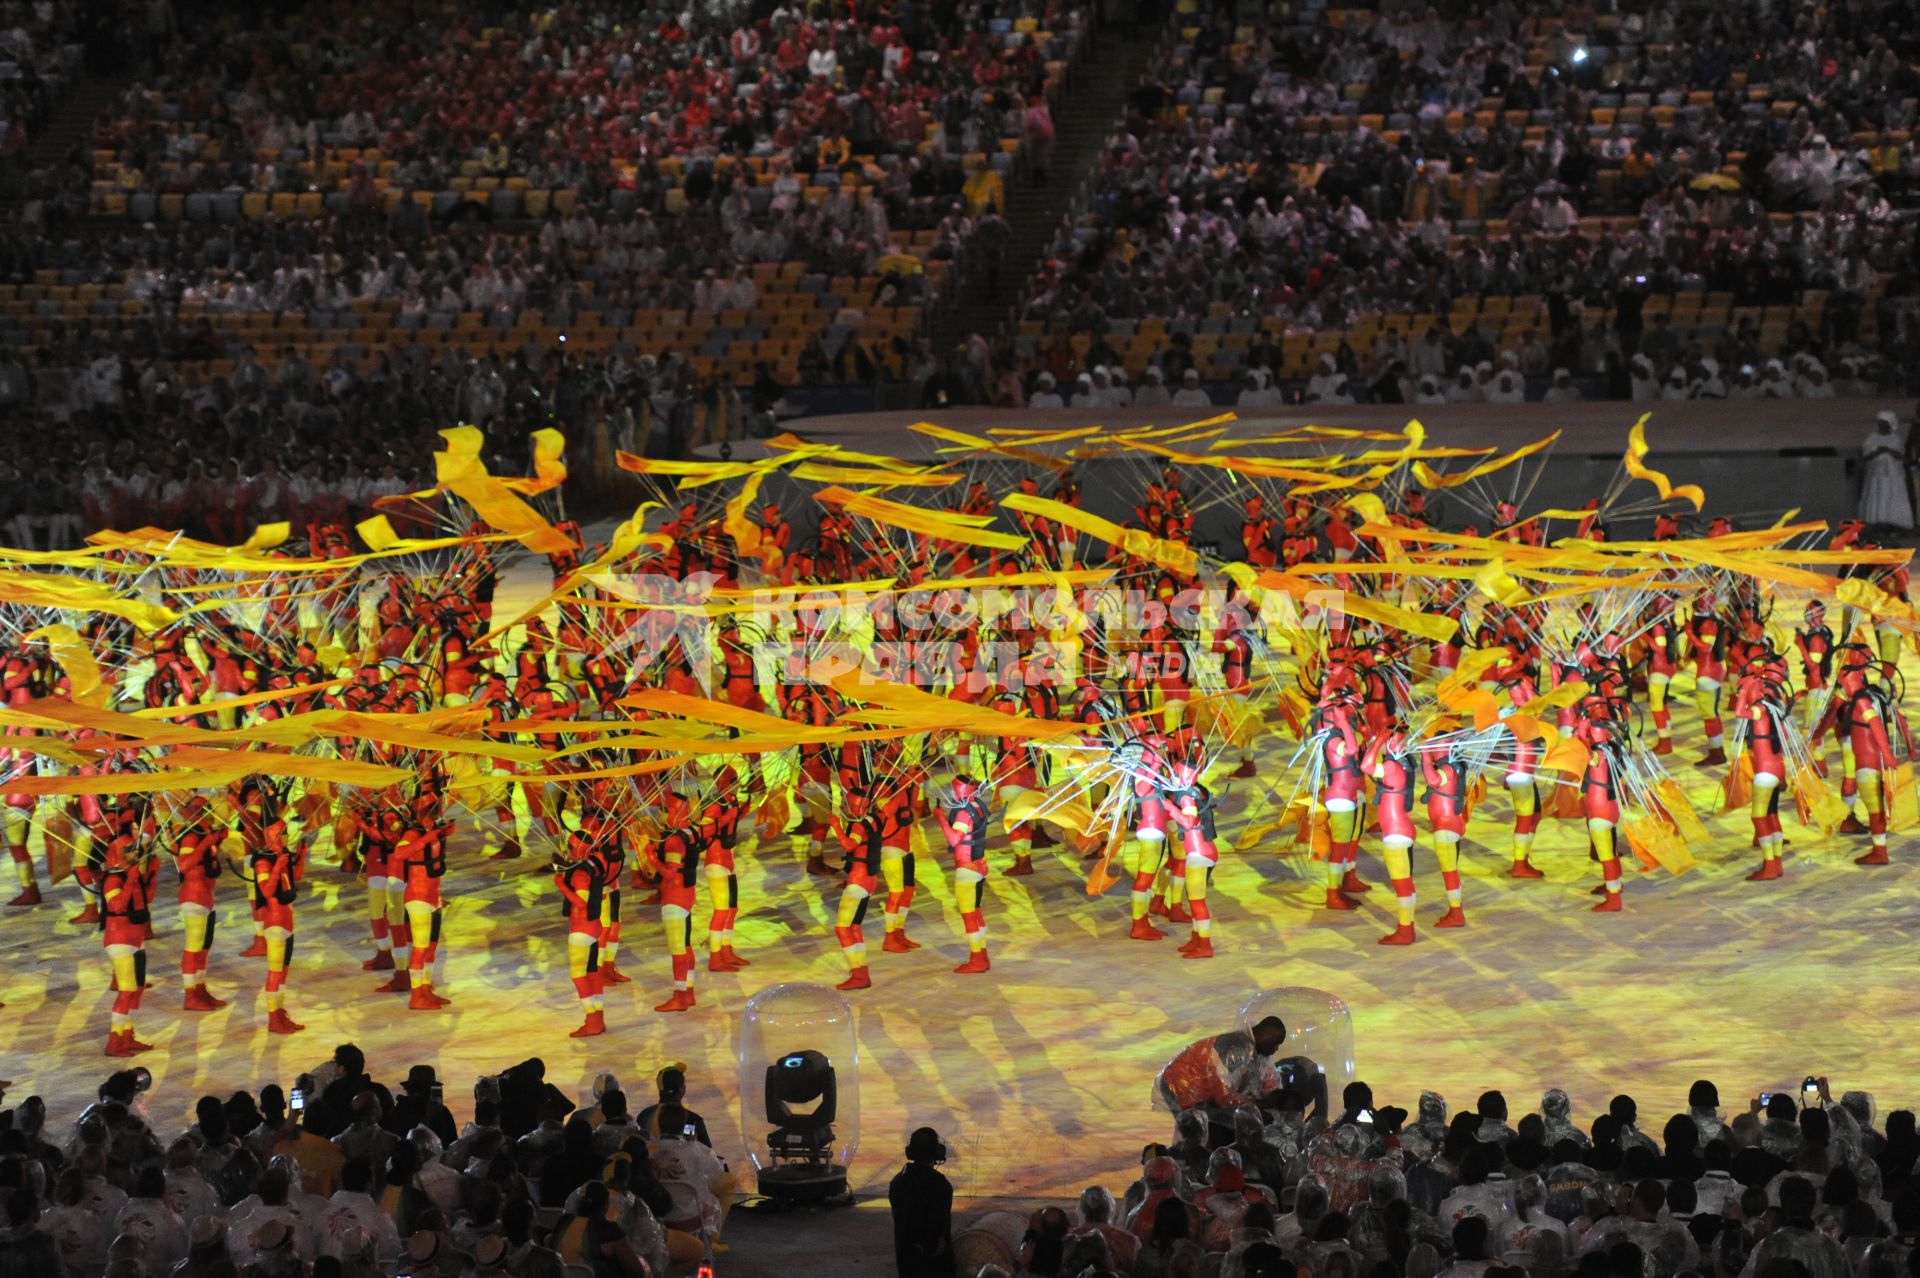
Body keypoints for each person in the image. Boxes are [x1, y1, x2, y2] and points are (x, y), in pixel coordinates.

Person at [889, 1127, 954, 1278]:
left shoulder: (897, 1182)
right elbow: (939, 1229)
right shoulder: (941, 1185)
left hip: (906, 1262)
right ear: (935, 1153)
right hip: (935, 1265)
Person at [1860, 411, 1913, 529]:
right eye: (1880, 423)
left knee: (1891, 498)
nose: (1881, 425)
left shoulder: (1896, 438)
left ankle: (1893, 524)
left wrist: (1887, 450)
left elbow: (1900, 455)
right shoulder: (1871, 438)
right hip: (1876, 477)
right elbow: (1866, 456)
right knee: (1877, 498)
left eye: (1884, 423)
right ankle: (1877, 524)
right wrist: (1877, 452)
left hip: (1893, 477)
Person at [636, 1065, 711, 1146]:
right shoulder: (691, 1120)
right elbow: (691, 1148)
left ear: (659, 1089)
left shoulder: (644, 1116)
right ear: (682, 1089)